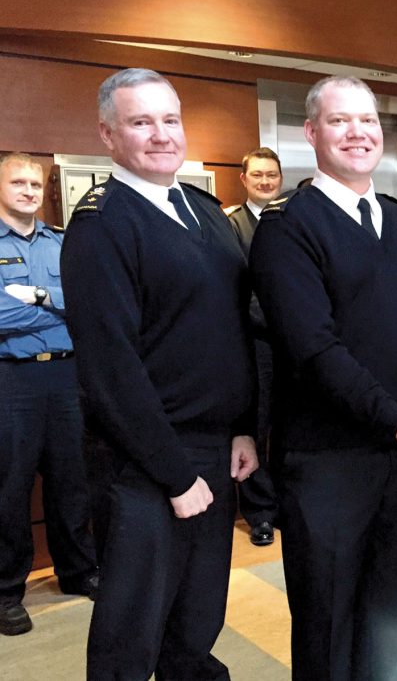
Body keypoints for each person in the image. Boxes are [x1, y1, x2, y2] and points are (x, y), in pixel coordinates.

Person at [249, 76, 397, 680]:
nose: (358, 133)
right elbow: (314, 350)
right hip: (327, 462)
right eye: (339, 121)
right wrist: (396, 420)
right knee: (328, 623)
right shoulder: (287, 227)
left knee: (393, 614)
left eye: (367, 121)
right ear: (311, 133)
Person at [61, 68, 258, 680]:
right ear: (108, 134)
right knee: (131, 630)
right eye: (141, 122)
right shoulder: (102, 225)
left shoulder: (201, 211)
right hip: (146, 462)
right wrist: (174, 474)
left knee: (197, 620)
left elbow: (232, 329)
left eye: (169, 120)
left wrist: (244, 428)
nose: (161, 134)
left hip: (215, 452)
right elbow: (109, 369)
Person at [0, 152, 98, 636]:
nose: (28, 191)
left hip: (66, 377)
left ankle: (78, 571)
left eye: (35, 184)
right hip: (11, 380)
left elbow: (86, 302)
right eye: (17, 182)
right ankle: (6, 593)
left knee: (71, 482)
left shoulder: (62, 242)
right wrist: (57, 308)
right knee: (8, 489)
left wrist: (35, 299)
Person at [225, 146, 283, 547]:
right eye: (258, 175)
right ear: (244, 180)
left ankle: (286, 504)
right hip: (255, 343)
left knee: (290, 426)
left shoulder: (292, 221)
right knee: (257, 428)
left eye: (272, 175)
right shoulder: (231, 225)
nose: (266, 181)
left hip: (295, 347)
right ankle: (260, 513)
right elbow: (234, 292)